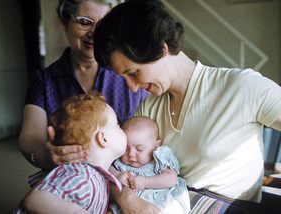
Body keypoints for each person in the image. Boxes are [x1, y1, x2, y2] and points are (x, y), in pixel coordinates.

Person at [93, 0, 281, 213]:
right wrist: (127, 197)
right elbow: (117, 169)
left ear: (160, 48)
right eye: (124, 78)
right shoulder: (147, 110)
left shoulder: (242, 87)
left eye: (134, 73)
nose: (133, 88)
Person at [19, 0, 149, 170]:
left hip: (128, 180)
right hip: (70, 181)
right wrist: (41, 154)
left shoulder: (130, 74)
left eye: (103, 24)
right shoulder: (43, 81)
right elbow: (30, 135)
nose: (94, 33)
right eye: (85, 22)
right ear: (64, 22)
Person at [14, 93, 127, 214]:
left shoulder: (96, 178)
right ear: (103, 139)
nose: (122, 128)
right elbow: (35, 200)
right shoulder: (82, 176)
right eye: (117, 125)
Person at [109, 116, 190, 214]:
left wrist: (145, 182)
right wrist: (117, 174)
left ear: (156, 146)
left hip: (159, 202)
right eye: (126, 148)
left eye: (139, 149)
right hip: (127, 207)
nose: (131, 154)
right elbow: (106, 169)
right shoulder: (120, 161)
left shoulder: (159, 157)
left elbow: (172, 179)